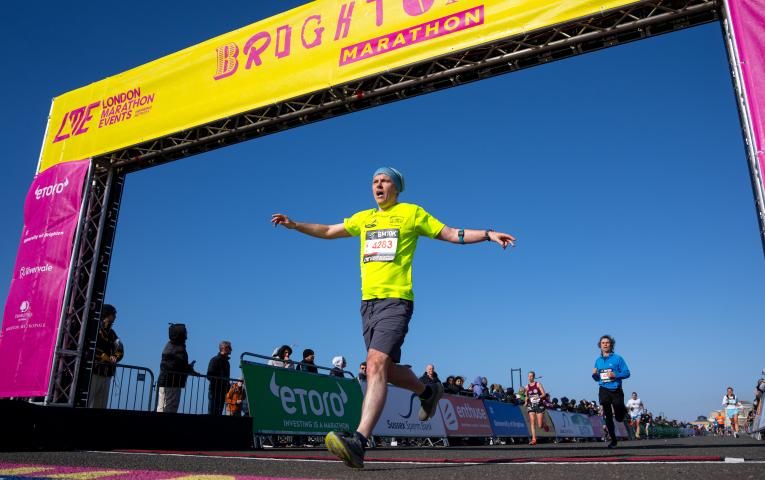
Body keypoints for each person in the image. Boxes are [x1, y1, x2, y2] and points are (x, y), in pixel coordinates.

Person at [272, 167, 516, 468]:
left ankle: (359, 442)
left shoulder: (411, 213)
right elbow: (328, 231)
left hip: (397, 300)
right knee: (385, 369)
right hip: (368, 304)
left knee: (374, 365)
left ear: (396, 188)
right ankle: (429, 391)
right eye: (374, 181)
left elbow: (452, 234)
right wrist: (295, 225)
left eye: (384, 180)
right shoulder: (364, 218)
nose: (378, 185)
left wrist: (489, 234)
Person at [591, 334, 630, 448]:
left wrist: (615, 375)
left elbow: (627, 373)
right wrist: (594, 375)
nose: (605, 345)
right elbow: (597, 378)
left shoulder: (618, 358)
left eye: (607, 343)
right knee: (607, 415)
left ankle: (621, 413)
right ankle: (613, 440)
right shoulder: (598, 361)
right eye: (603, 343)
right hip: (603, 389)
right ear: (600, 345)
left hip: (616, 389)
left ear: (611, 344)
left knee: (618, 416)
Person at [87, 304, 123, 409]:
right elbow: (91, 348)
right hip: (94, 372)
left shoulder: (112, 333)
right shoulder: (95, 329)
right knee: (88, 403)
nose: (115, 317)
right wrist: (105, 357)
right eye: (113, 314)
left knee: (101, 406)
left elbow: (120, 348)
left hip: (107, 374)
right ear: (107, 315)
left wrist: (115, 357)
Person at [157, 323, 196, 413]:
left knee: (162, 407)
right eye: (185, 333)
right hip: (172, 382)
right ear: (180, 335)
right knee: (170, 407)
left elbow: (176, 364)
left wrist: (188, 368)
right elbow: (177, 366)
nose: (187, 335)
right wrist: (189, 369)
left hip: (166, 381)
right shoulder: (177, 348)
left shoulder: (170, 346)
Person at [207, 340, 232, 416]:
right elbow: (209, 375)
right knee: (213, 413)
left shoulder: (227, 363)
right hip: (215, 391)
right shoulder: (215, 360)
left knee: (218, 414)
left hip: (222, 392)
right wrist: (220, 380)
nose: (231, 349)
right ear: (224, 348)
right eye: (229, 347)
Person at [524, 371, 546, 445]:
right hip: (531, 405)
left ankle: (544, 424)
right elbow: (526, 396)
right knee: (532, 421)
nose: (530, 377)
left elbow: (544, 394)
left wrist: (538, 396)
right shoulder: (526, 387)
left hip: (539, 405)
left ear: (534, 377)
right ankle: (534, 439)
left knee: (540, 425)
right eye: (529, 376)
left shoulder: (538, 384)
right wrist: (526, 402)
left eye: (531, 376)